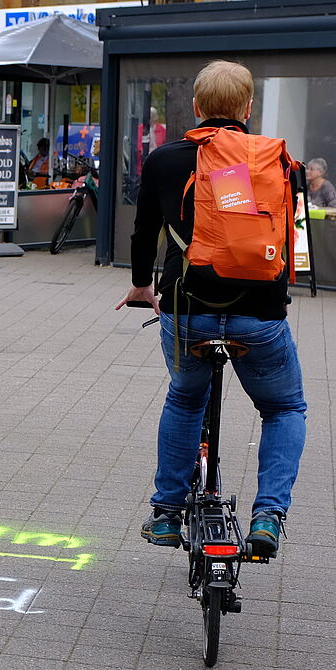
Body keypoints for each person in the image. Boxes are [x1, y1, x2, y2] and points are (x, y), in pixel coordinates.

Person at [117, 60, 305, 557]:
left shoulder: (164, 159)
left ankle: (166, 514)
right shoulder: (277, 162)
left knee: (184, 398)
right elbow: (287, 242)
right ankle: (267, 515)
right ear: (248, 108)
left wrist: (141, 286)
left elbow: (143, 235)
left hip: (187, 308)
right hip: (259, 314)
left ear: (197, 107)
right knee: (284, 407)